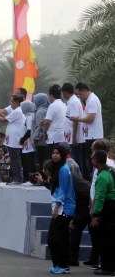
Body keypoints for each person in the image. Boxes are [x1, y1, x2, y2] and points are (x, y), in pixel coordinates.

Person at [84, 139, 115, 268]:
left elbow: (100, 192)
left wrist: (95, 211)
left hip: (103, 206)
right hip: (97, 203)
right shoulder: (103, 167)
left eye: (93, 150)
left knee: (103, 236)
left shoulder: (106, 168)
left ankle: (104, 263)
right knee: (97, 235)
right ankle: (98, 258)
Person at [46, 145, 76, 274]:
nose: (54, 155)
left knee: (59, 239)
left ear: (63, 155)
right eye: (53, 153)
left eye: (57, 153)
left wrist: (57, 206)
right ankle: (58, 263)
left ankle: (63, 265)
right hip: (59, 207)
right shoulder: (57, 169)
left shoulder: (63, 169)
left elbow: (63, 190)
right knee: (52, 238)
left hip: (64, 208)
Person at [70, 83, 103, 182]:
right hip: (89, 135)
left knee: (92, 160)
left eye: (80, 94)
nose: (80, 96)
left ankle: (93, 180)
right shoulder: (89, 100)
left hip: (93, 136)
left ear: (84, 90)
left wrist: (77, 119)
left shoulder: (92, 100)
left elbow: (91, 118)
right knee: (88, 160)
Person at [0, 95, 25, 184]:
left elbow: (3, 119)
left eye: (11, 101)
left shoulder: (17, 111)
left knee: (15, 160)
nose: (10, 103)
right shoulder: (16, 111)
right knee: (14, 160)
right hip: (13, 140)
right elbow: (5, 115)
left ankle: (17, 179)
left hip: (15, 140)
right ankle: (14, 178)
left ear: (16, 103)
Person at [61, 83, 85, 175]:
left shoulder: (74, 102)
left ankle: (78, 179)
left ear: (65, 92)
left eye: (63, 92)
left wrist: (74, 137)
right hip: (70, 136)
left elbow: (75, 120)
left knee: (76, 161)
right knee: (75, 159)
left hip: (74, 137)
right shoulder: (72, 101)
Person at [43, 84, 66, 159]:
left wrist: (45, 131)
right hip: (62, 136)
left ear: (51, 95)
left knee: (52, 158)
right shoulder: (63, 105)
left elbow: (47, 122)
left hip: (54, 137)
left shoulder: (52, 106)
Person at [19, 101, 37, 182]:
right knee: (26, 162)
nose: (21, 109)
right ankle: (27, 179)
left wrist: (22, 139)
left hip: (29, 144)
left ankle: (32, 180)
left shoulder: (30, 117)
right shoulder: (26, 116)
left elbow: (29, 131)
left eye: (22, 106)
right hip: (26, 145)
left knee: (30, 163)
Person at [32, 93, 49, 164]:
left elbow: (40, 126)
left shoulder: (40, 112)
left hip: (41, 142)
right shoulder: (48, 110)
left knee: (42, 163)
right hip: (47, 140)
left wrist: (35, 139)